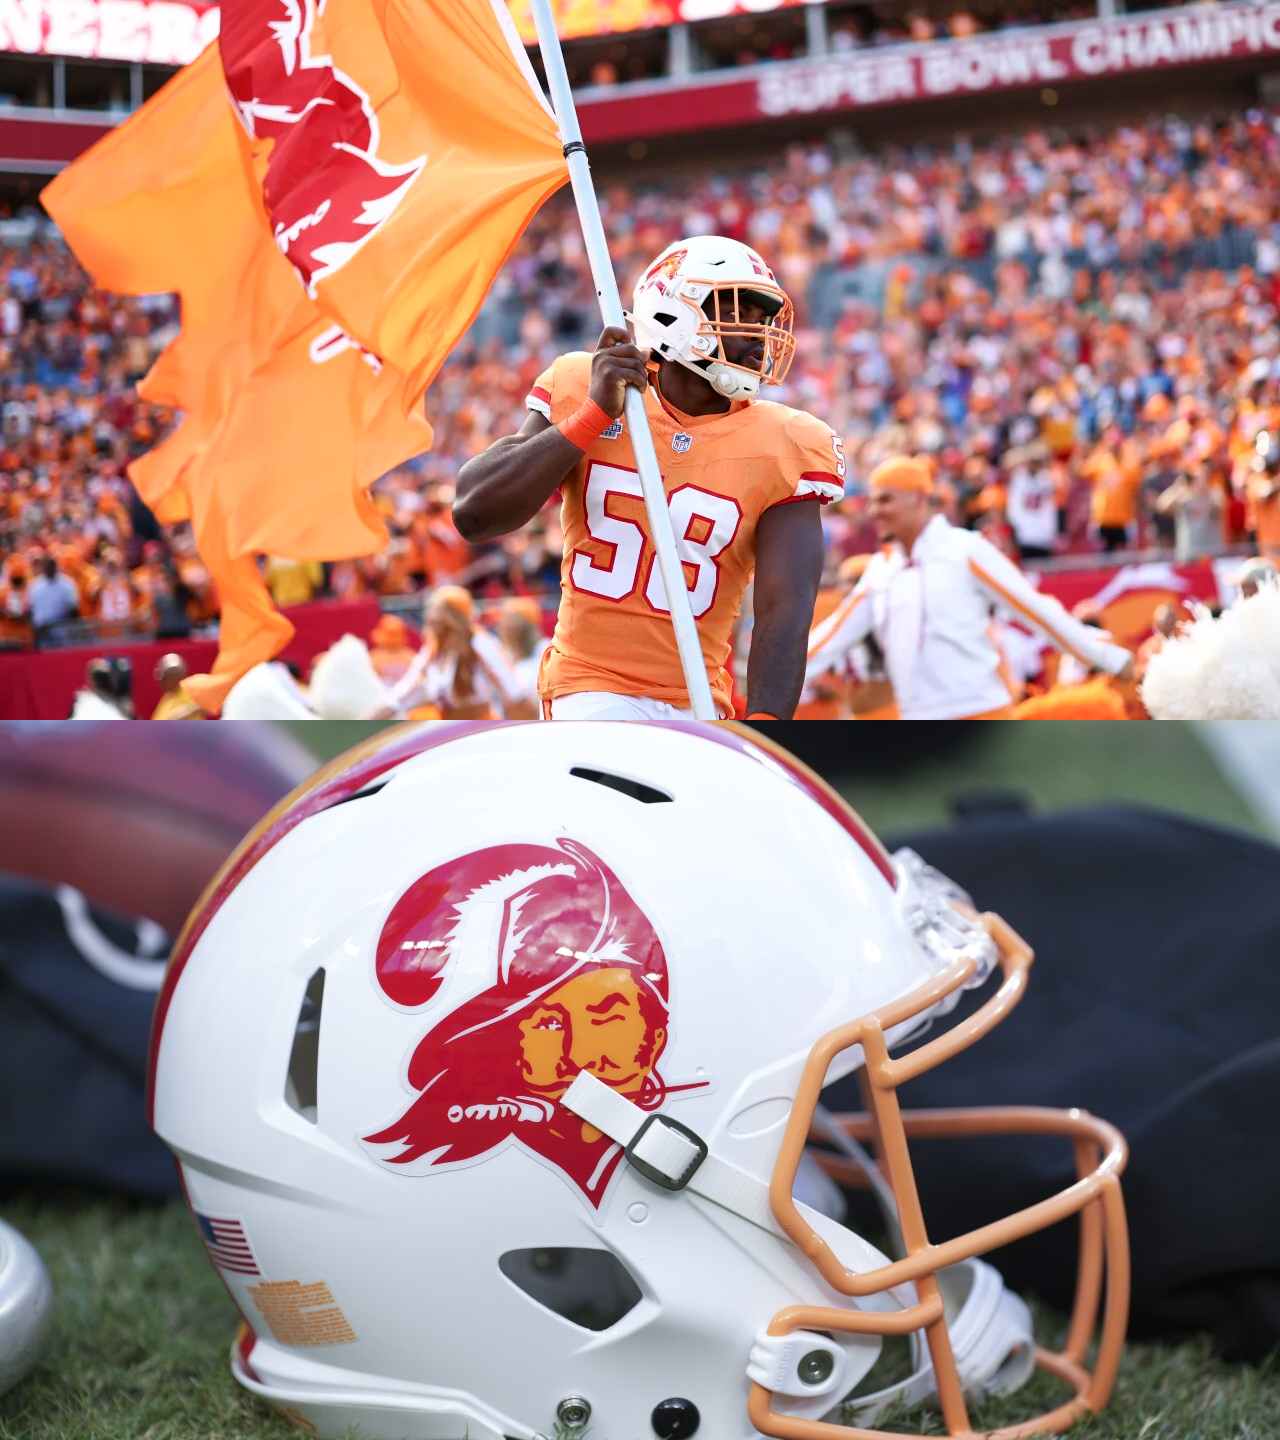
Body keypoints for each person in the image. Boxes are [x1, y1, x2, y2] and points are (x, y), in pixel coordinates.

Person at [452, 236, 842, 721]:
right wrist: (593, 415)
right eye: (738, 313)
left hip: (701, 698)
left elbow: (787, 604)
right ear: (672, 312)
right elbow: (473, 511)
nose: (757, 336)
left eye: (761, 321)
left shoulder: (786, 439)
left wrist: (765, 723)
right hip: (590, 687)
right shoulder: (586, 383)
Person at [805, 456, 1134, 720]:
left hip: (978, 714)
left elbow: (1037, 611)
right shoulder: (881, 570)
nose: (876, 511)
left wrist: (1111, 659)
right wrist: (766, 681)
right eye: (873, 502)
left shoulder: (964, 550)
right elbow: (831, 638)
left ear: (919, 498)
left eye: (886, 499)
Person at [374, 585, 522, 720]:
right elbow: (400, 696)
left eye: (438, 612)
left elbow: (514, 693)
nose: (431, 618)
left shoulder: (479, 643)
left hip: (479, 730)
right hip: (449, 732)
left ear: (454, 619)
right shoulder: (432, 652)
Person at [1154, 469, 1224, 562]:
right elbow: (1161, 505)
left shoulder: (1214, 494)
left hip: (1209, 552)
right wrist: (1178, 486)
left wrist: (1205, 490)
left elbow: (1221, 507)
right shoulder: (1183, 498)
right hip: (1188, 553)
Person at [28, 554, 80, 646]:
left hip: (61, 631)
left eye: (51, 566)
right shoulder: (35, 585)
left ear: (56, 567)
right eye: (47, 566)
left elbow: (73, 610)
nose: (49, 568)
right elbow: (31, 609)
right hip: (41, 632)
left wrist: (59, 623)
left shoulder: (67, 584)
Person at [151, 653, 200, 719]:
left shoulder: (190, 695)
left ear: (176, 677)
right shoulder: (168, 696)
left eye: (165, 678)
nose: (160, 682)